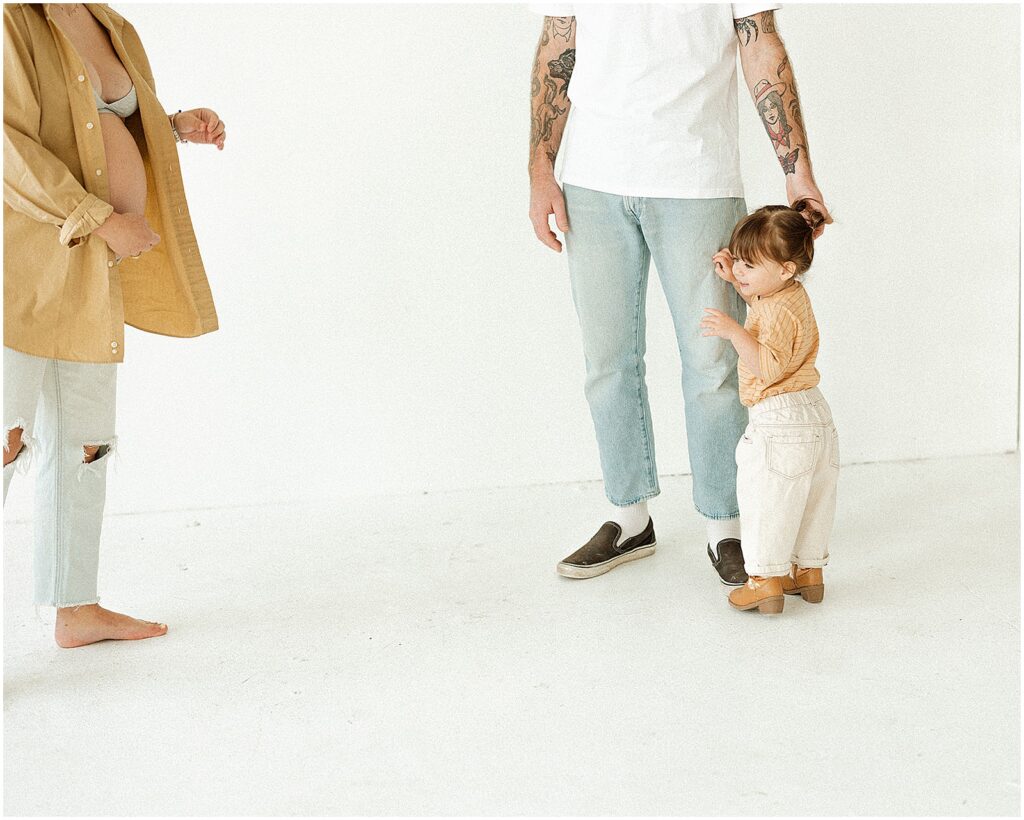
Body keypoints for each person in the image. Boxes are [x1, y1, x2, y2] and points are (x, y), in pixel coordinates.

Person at [527, 4, 832, 582]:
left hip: (697, 177)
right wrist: (541, 169)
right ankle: (629, 516)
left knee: (715, 362)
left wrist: (796, 169)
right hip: (593, 181)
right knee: (607, 361)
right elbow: (556, 50)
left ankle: (726, 526)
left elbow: (760, 45)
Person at [3, 3, 224, 647]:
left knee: (84, 443)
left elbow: (100, 119)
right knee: (4, 439)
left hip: (92, 273)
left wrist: (173, 124)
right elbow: (7, 145)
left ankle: (76, 608)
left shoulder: (106, 21)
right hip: (24, 265)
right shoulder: (10, 19)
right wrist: (101, 218)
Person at [700, 200, 838, 613]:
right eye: (738, 261)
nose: (740, 272)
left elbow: (767, 364)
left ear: (785, 270)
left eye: (750, 265)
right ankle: (808, 572)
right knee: (811, 498)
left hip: (780, 417)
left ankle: (763, 581)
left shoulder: (774, 308)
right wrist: (739, 281)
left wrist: (731, 331)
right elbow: (766, 308)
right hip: (814, 412)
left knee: (766, 498)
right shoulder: (790, 296)